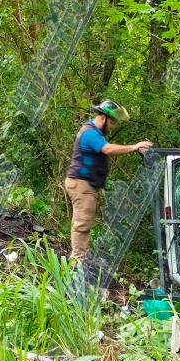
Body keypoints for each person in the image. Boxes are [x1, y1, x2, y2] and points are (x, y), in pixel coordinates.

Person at [64, 100, 153, 260]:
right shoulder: (90, 133)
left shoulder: (93, 132)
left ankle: (79, 257)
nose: (112, 125)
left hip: (84, 183)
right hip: (81, 183)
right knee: (82, 223)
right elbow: (108, 149)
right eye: (112, 121)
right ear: (103, 118)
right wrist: (134, 147)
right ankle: (77, 261)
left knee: (83, 221)